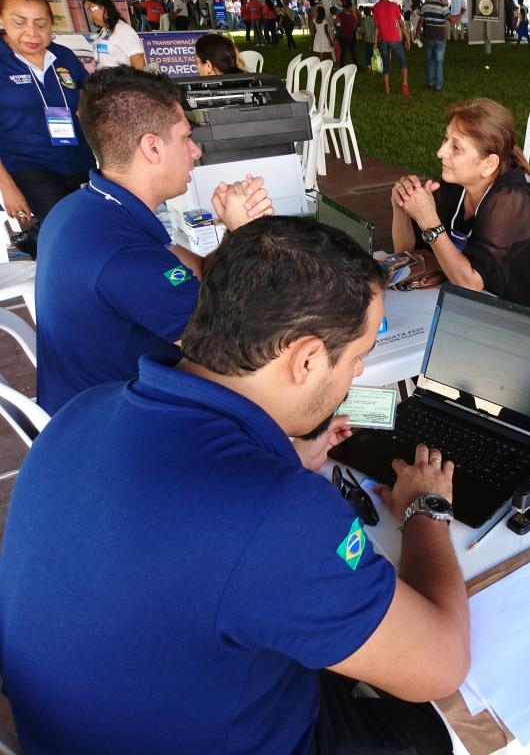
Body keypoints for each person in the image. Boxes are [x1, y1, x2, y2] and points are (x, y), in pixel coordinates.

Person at [0, 213, 470, 754]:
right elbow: (443, 663)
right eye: (357, 357)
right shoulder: (278, 513)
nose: (357, 374)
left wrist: (277, 459)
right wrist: (426, 510)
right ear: (307, 359)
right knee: (431, 732)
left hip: (67, 732)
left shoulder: (85, 410)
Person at [33, 66, 272, 415]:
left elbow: (198, 270)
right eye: (185, 138)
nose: (195, 151)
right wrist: (250, 240)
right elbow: (230, 347)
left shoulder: (91, 206)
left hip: (94, 398)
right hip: (115, 421)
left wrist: (236, 232)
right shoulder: (121, 252)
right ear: (152, 147)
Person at [390, 98, 530, 317]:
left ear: (489, 164)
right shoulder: (456, 188)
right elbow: (408, 256)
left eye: (456, 147)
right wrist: (401, 207)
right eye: (446, 139)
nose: (441, 152)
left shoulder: (513, 201)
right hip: (486, 311)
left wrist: (429, 221)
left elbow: (470, 283)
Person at [0, 0, 96, 259]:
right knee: (69, 237)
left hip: (79, 161)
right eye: (19, 23)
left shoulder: (63, 56)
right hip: (29, 167)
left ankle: (38, 236)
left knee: (92, 228)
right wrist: (7, 188)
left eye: (41, 24)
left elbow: (88, 99)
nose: (32, 33)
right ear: (2, 20)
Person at [418, 0, 465, 91]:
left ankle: (430, 82)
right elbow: (451, 19)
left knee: (430, 61)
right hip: (439, 38)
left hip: (429, 38)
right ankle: (438, 85)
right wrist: (461, 13)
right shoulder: (442, 7)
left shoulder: (424, 6)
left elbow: (421, 21)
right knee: (439, 63)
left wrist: (417, 34)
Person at [84, 0, 145, 70]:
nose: (89, 14)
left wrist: (130, 78)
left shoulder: (122, 30)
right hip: (106, 77)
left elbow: (138, 61)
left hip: (122, 77)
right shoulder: (104, 31)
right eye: (87, 10)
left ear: (104, 8)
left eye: (90, 9)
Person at [373, 0, 411, 95]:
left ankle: (387, 88)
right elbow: (401, 24)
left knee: (386, 63)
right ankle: (404, 83)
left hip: (384, 39)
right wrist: (407, 38)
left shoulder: (376, 7)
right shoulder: (394, 6)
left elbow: (376, 27)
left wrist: (375, 42)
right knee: (402, 60)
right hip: (395, 39)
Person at [335, 0, 358, 66]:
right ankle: (356, 64)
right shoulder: (352, 17)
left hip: (343, 36)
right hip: (350, 36)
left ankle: (342, 65)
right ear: (350, 8)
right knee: (353, 52)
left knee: (343, 52)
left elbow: (336, 23)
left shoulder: (341, 15)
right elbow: (354, 27)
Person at [359, 4, 376, 69]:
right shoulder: (373, 20)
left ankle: (369, 66)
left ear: (364, 13)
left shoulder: (363, 21)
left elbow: (362, 31)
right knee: (373, 53)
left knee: (368, 53)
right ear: (370, 12)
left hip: (367, 40)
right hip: (373, 39)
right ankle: (374, 65)